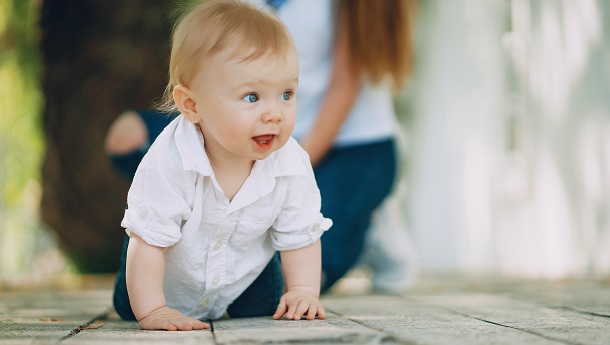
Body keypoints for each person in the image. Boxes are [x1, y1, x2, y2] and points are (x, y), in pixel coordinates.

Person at [106, 0, 415, 294]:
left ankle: (365, 222)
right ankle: (210, 216)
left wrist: (281, 172)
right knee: (129, 138)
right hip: (249, 131)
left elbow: (343, 86)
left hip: (348, 146)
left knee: (285, 278)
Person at [112, 0, 331, 331]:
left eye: (286, 94)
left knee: (266, 304)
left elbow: (300, 233)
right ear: (192, 104)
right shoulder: (171, 159)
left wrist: (302, 291)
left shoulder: (290, 162)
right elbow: (149, 241)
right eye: (252, 97)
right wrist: (153, 310)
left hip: (246, 280)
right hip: (165, 282)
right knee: (133, 299)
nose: (275, 113)